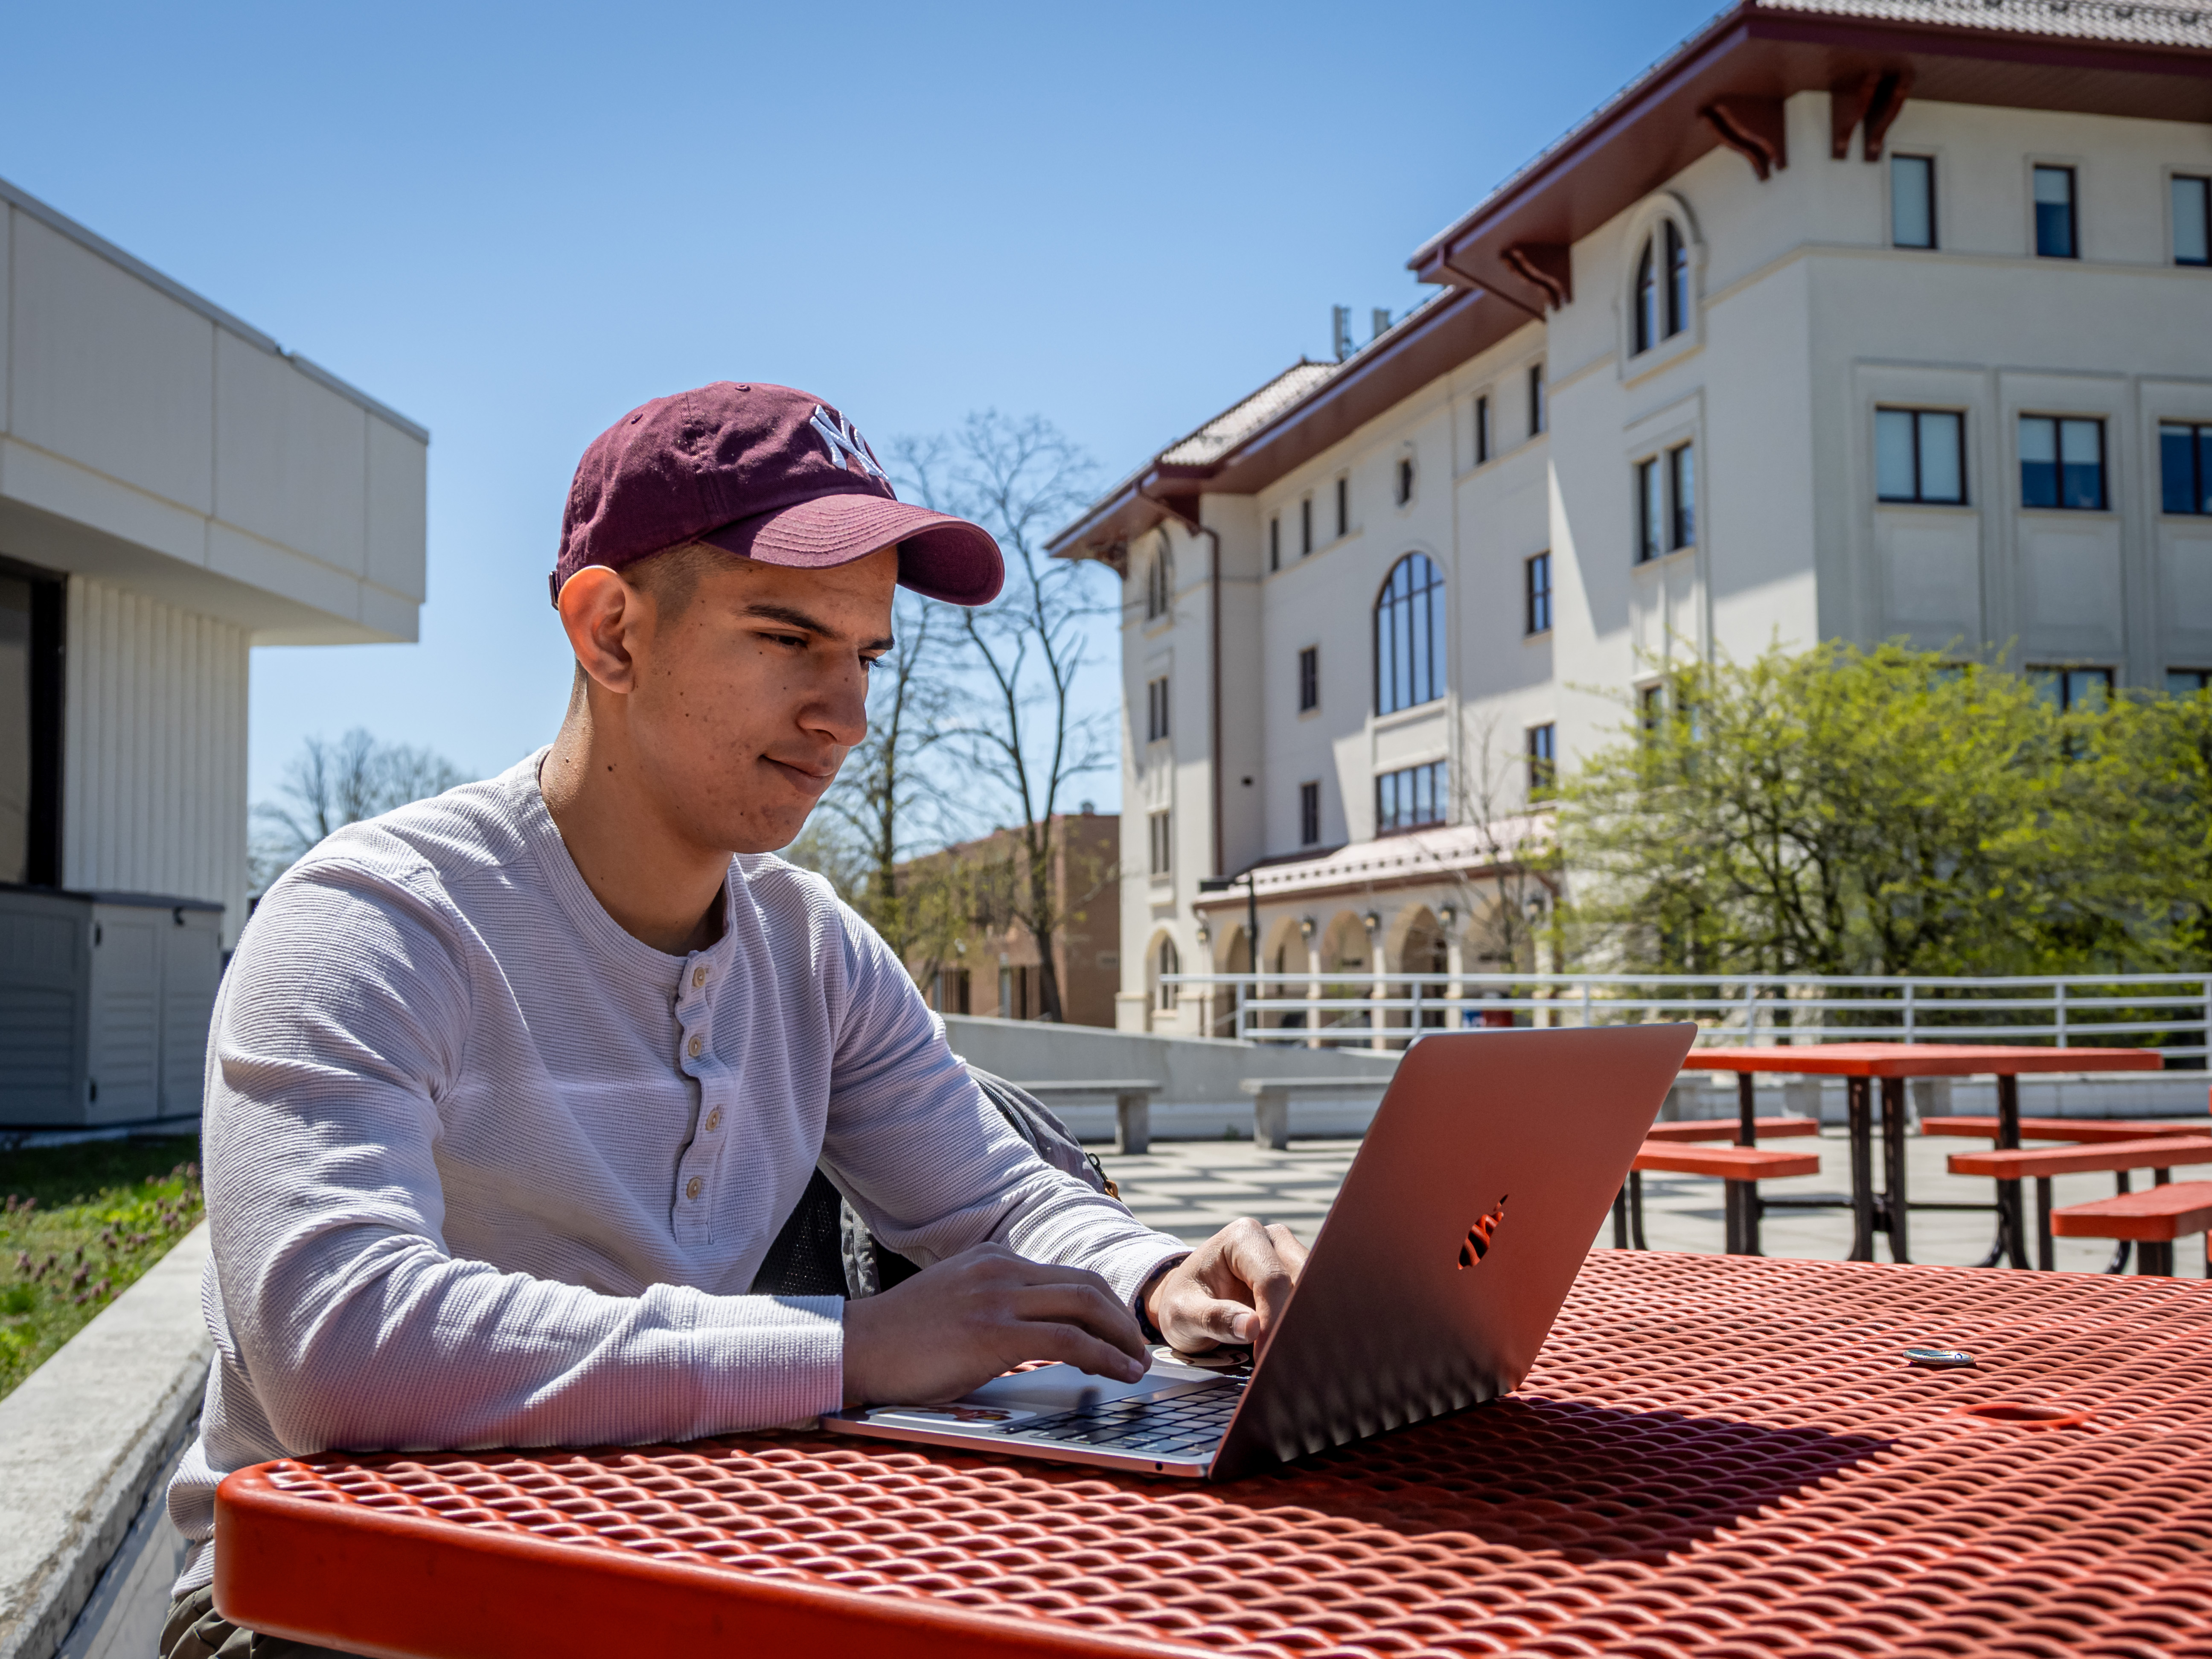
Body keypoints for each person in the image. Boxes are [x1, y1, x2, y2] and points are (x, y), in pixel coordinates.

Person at [161, 382, 1306, 1658]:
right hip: (333, 1604)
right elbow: (340, 1350)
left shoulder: (812, 949)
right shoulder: (376, 921)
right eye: (786, 639)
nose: (848, 716)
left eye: (866, 656)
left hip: (655, 1548)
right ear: (610, 633)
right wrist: (852, 1348)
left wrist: (1159, 1278)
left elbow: (991, 1200)